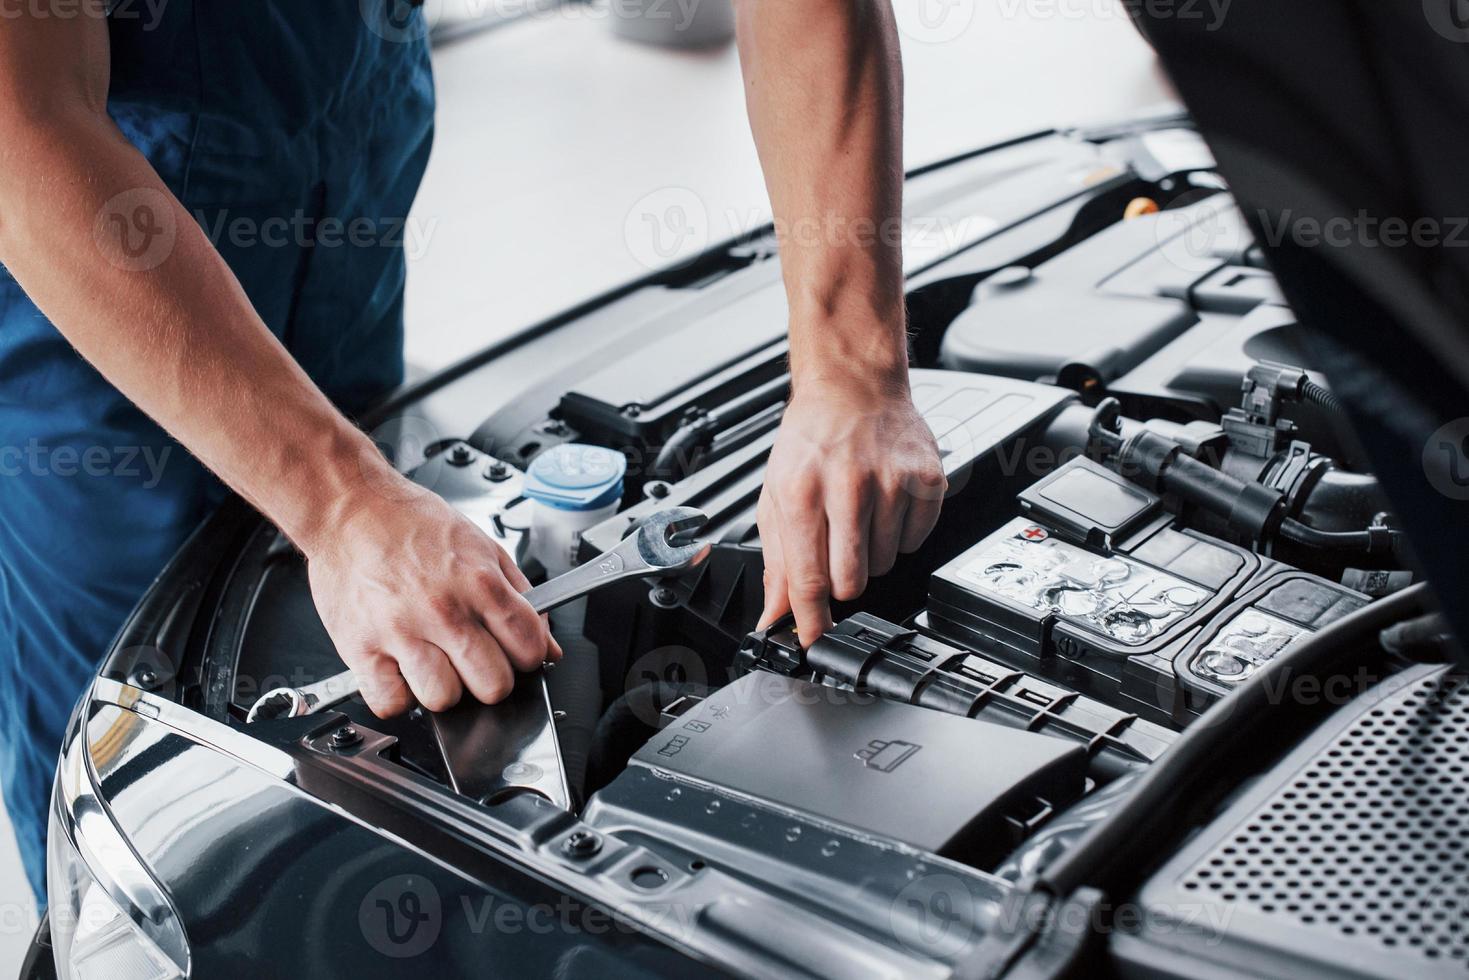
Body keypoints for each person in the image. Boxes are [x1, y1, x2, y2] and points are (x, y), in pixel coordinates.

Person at [0, 0, 944, 901]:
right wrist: (341, 502)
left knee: (361, 668)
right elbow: (23, 125)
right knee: (140, 741)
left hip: (344, 135)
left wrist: (852, 373)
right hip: (102, 280)